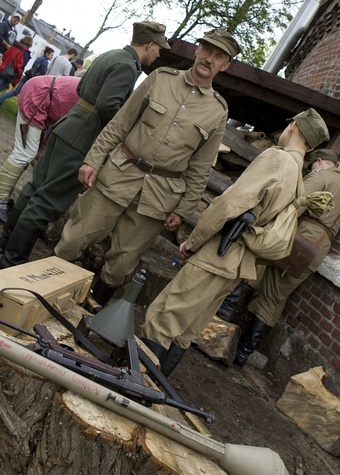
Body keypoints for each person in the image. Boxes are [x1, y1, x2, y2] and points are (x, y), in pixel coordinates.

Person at [54, 28, 242, 307]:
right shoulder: (160, 78)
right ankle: (43, 288)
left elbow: (201, 167)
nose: (209, 59)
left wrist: (184, 208)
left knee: (121, 263)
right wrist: (93, 159)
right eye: (206, 50)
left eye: (218, 56)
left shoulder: (217, 110)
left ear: (225, 65)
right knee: (75, 237)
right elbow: (120, 123)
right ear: (196, 51)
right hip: (118, 176)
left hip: (158, 196)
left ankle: (85, 316)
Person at [139, 108, 331, 376]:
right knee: (189, 327)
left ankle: (133, 378)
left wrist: (194, 240)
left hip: (221, 251)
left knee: (165, 317)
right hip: (240, 262)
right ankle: (155, 383)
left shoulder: (277, 158)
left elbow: (230, 203)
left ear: (294, 127)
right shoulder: (299, 175)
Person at [0, 21, 170, 267]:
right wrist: (126, 128)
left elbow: (81, 86)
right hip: (82, 138)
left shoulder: (112, 55)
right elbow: (108, 106)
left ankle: (6, 246)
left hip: (69, 126)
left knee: (34, 188)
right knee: (49, 200)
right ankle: (11, 261)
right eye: (159, 49)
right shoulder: (126, 65)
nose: (158, 54)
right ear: (150, 44)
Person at [231, 148, 340, 365]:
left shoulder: (321, 177)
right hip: (316, 249)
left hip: (298, 242)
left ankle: (230, 339)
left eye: (312, 165)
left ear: (321, 162)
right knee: (271, 297)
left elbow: (295, 204)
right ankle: (241, 352)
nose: (311, 169)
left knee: (245, 265)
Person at [0, 75, 80, 223]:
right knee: (24, 154)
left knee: (28, 154)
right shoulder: (100, 100)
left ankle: (5, 194)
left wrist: (43, 147)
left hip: (42, 95)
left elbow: (62, 125)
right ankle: (1, 198)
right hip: (39, 94)